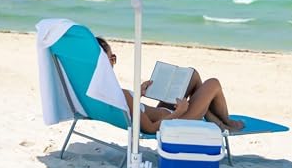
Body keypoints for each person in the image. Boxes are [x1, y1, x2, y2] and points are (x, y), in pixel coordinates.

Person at [96, 37, 244, 134]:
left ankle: (213, 119)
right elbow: (151, 129)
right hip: (176, 122)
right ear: (104, 62)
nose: (114, 61)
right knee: (213, 83)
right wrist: (179, 112)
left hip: (168, 114)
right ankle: (224, 122)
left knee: (192, 75)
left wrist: (138, 95)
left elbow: (132, 112)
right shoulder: (120, 94)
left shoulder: (103, 92)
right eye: (112, 58)